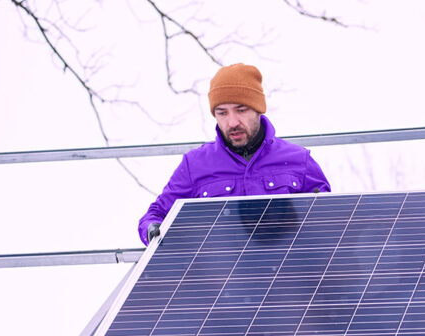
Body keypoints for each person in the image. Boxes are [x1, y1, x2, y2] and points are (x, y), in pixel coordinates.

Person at [138, 64, 331, 245]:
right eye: (222, 113)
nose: (232, 122)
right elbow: (156, 215)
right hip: (220, 278)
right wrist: (153, 230)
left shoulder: (299, 159)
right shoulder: (195, 165)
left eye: (241, 110)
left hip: (287, 274)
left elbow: (330, 218)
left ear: (258, 109)